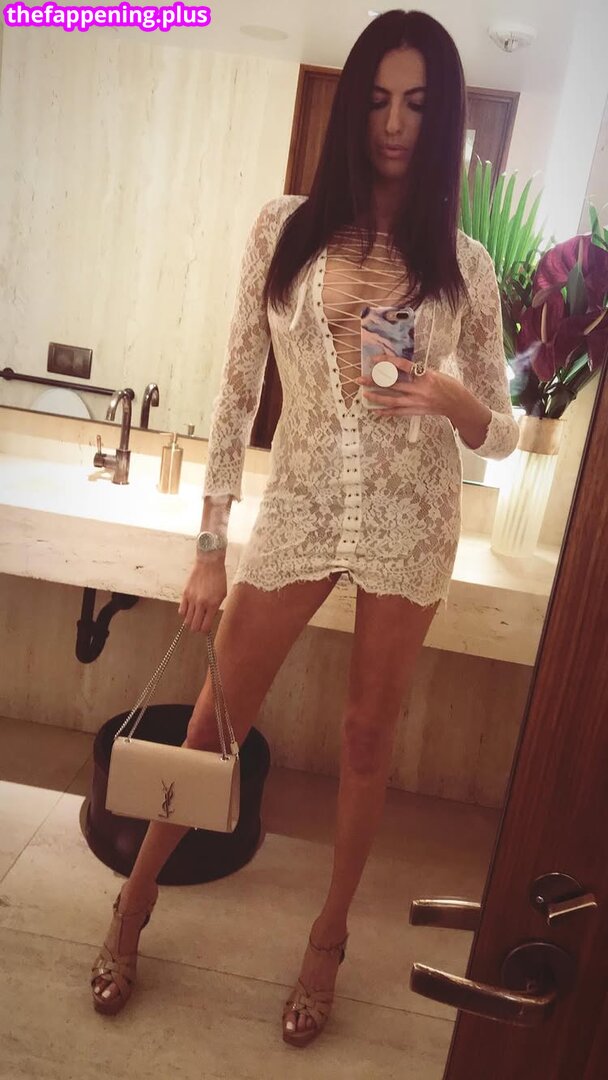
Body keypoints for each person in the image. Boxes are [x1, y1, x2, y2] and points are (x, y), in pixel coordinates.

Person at [90, 8, 519, 1047]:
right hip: (301, 507)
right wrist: (209, 544)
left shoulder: (464, 264)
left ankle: (327, 939)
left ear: (443, 118)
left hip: (412, 516)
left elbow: (501, 431)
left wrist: (452, 400)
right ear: (350, 109)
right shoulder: (281, 230)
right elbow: (236, 390)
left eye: (416, 104)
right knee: (212, 723)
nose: (394, 124)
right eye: (377, 100)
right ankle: (133, 904)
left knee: (368, 737)